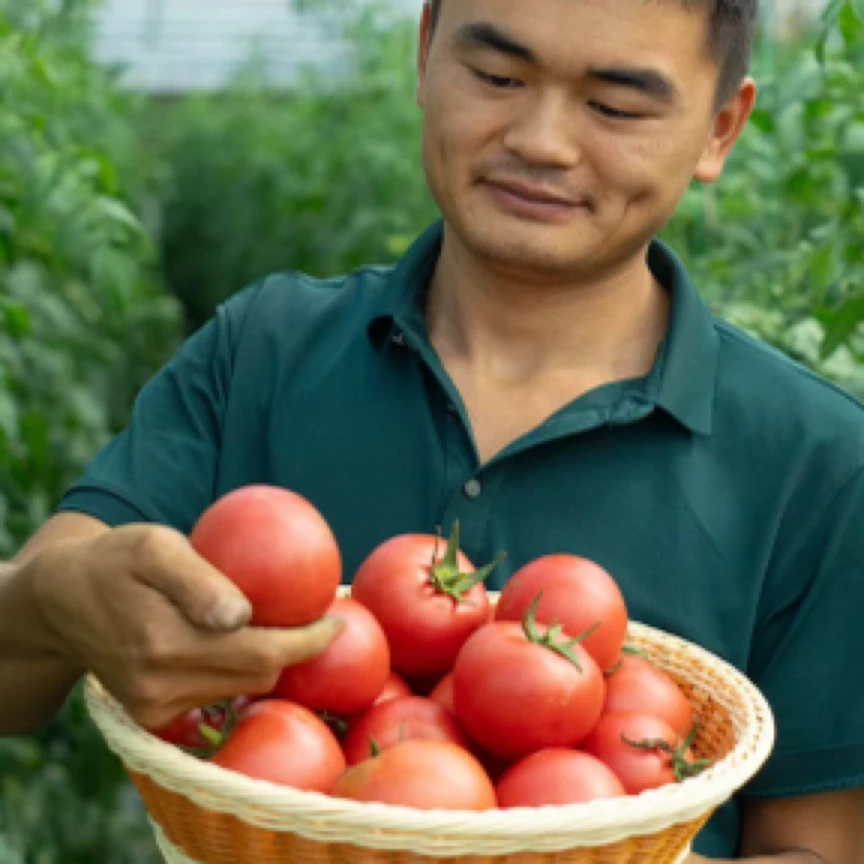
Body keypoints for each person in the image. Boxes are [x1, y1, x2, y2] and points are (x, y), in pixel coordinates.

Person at [1, 0, 862, 860]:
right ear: (424, 55)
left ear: (720, 129)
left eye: (615, 106)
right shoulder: (260, 351)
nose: (541, 139)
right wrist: (52, 603)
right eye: (496, 76)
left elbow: (821, 844)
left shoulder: (819, 465)